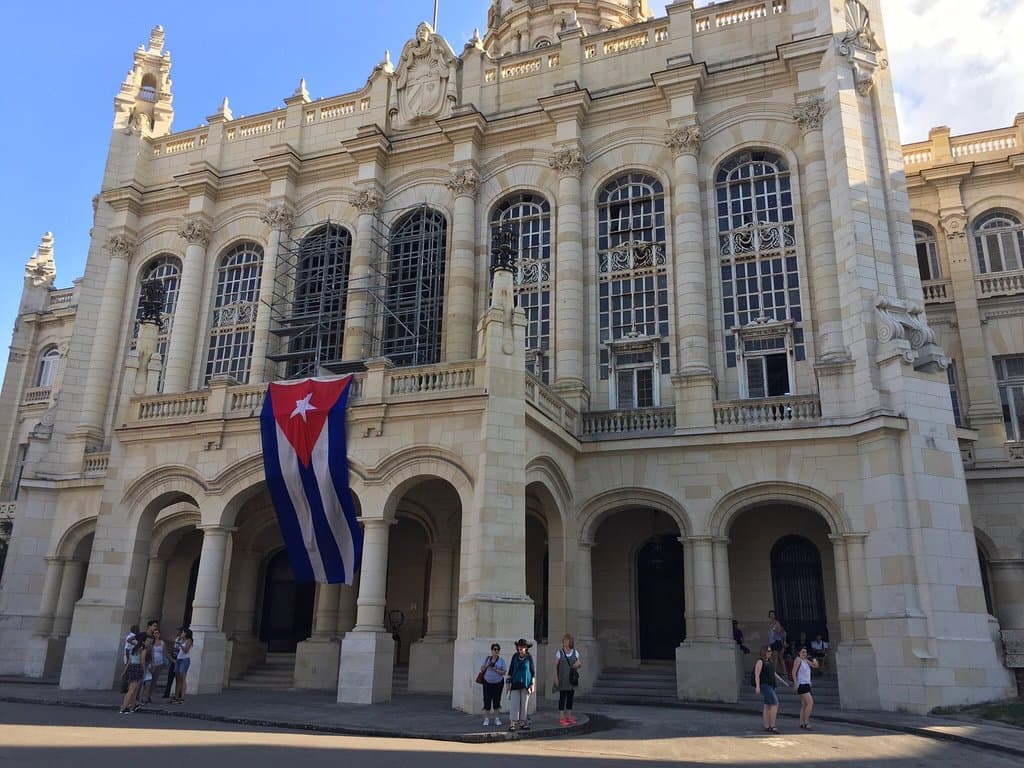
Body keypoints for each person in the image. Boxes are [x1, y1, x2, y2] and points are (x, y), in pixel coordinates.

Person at [754, 645, 790, 733]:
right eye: (768, 651)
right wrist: (758, 686)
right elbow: (757, 675)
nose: (770, 653)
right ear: (764, 652)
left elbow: (774, 673)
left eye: (770, 651)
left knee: (767, 705)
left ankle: (766, 725)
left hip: (771, 685)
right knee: (775, 703)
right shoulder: (760, 661)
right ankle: (773, 725)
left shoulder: (770, 661)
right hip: (765, 685)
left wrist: (783, 681)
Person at [506, 638, 535, 732]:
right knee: (514, 704)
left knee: (524, 705)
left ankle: (522, 723)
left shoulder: (529, 657)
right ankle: (512, 724)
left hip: (526, 684)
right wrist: (508, 683)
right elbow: (510, 670)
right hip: (515, 683)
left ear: (526, 648)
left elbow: (532, 671)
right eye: (519, 646)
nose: (520, 648)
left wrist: (532, 683)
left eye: (522, 647)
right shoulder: (515, 656)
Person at [553, 633, 582, 726]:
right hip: (562, 678)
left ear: (570, 641)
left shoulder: (575, 652)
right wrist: (556, 678)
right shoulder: (559, 652)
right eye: (564, 640)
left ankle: (569, 716)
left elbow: (579, 663)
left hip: (571, 679)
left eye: (567, 640)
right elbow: (555, 666)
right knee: (562, 698)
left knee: (570, 698)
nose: (565, 642)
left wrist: (577, 665)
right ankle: (562, 717)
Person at [119, 631, 148, 714]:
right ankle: (124, 707)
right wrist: (144, 670)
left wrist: (125, 671)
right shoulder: (143, 648)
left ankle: (132, 706)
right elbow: (142, 661)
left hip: (132, 667)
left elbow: (129, 661)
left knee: (134, 689)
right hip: (138, 668)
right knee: (131, 690)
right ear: (144, 640)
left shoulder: (135, 647)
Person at [479, 643, 507, 727]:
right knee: (487, 700)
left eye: (498, 649)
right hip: (487, 682)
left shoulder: (501, 660)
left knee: (496, 700)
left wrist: (495, 669)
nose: (496, 651)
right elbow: (482, 669)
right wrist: (488, 665)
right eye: (494, 649)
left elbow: (504, 672)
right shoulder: (487, 659)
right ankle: (486, 719)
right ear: (491, 650)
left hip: (498, 683)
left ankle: (497, 718)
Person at [793, 646, 820, 729]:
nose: (804, 654)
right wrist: (795, 683)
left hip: (807, 684)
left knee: (804, 704)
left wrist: (814, 659)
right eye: (803, 652)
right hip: (801, 684)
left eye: (805, 652)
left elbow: (815, 666)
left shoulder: (806, 661)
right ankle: (807, 721)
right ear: (799, 653)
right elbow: (793, 672)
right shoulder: (798, 660)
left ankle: (802, 722)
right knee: (810, 702)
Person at [142, 628, 167, 704]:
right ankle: (144, 695)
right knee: (147, 680)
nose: (156, 635)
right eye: (154, 633)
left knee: (154, 680)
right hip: (150, 663)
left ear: (160, 634)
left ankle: (149, 696)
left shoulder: (162, 643)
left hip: (159, 663)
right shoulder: (150, 643)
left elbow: (165, 653)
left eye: (157, 633)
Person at [171, 628, 192, 704]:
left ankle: (182, 697)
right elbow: (176, 649)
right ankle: (176, 696)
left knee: (182, 678)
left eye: (183, 632)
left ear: (186, 633)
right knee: (177, 678)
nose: (181, 633)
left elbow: (186, 650)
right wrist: (177, 643)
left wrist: (180, 644)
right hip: (179, 659)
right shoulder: (181, 640)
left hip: (185, 659)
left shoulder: (189, 640)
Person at [767, 611, 786, 676]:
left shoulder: (777, 623)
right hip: (772, 642)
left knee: (776, 657)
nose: (772, 616)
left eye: (773, 614)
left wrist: (776, 629)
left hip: (777, 641)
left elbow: (780, 632)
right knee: (777, 657)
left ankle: (775, 672)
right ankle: (784, 672)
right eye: (770, 615)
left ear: (775, 615)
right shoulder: (770, 624)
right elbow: (769, 635)